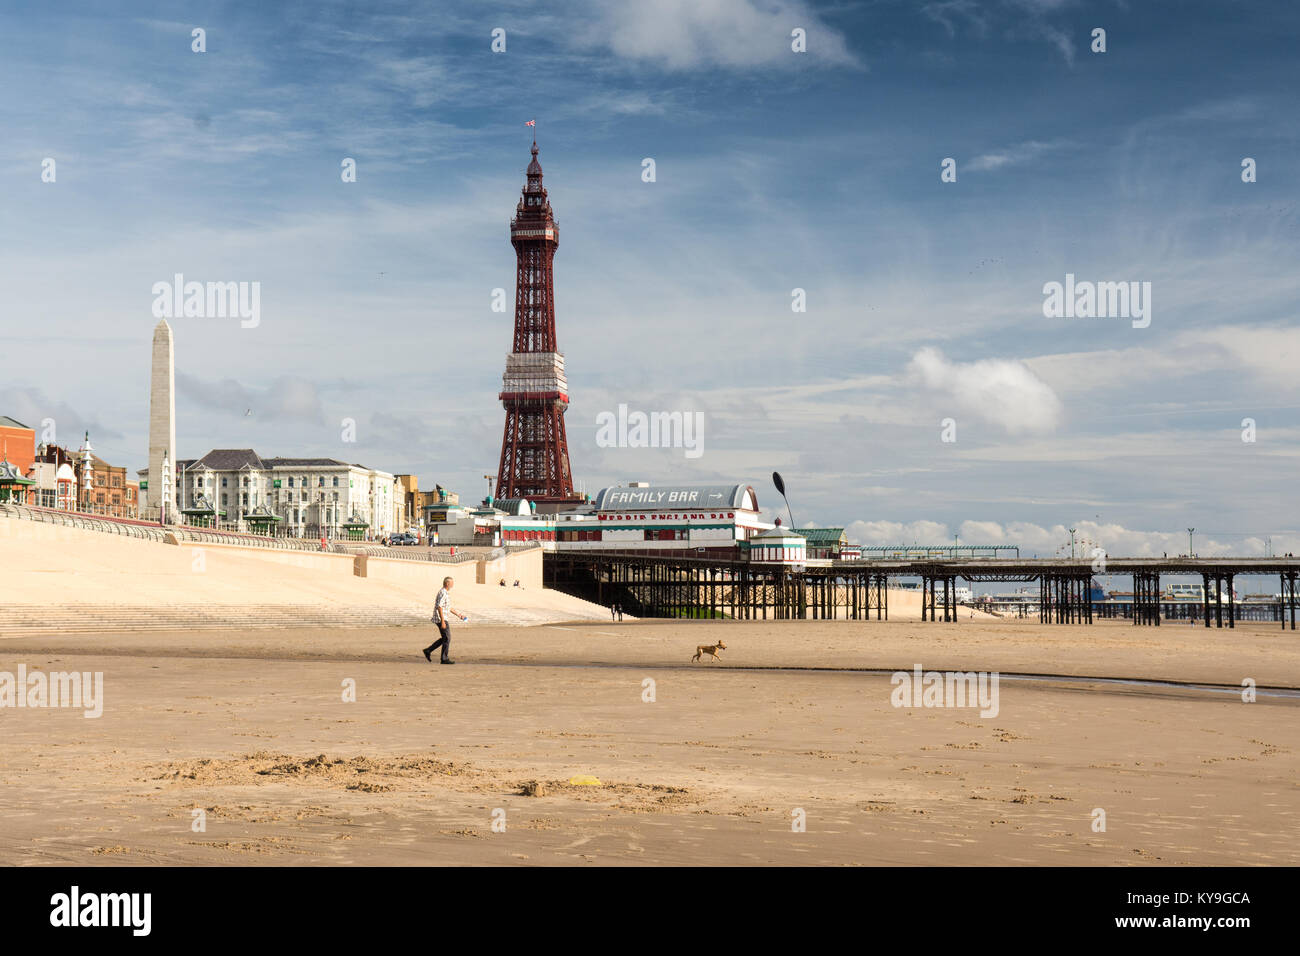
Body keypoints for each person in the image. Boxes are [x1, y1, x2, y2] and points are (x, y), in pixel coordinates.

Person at [423, 576, 465, 665]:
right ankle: (444, 658)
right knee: (447, 638)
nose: (453, 585)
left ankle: (428, 650)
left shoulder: (446, 593)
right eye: (452, 583)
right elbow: (439, 606)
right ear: (447, 583)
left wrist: (459, 615)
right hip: (441, 618)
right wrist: (442, 621)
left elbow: (448, 607)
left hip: (443, 617)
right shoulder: (443, 593)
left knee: (445, 638)